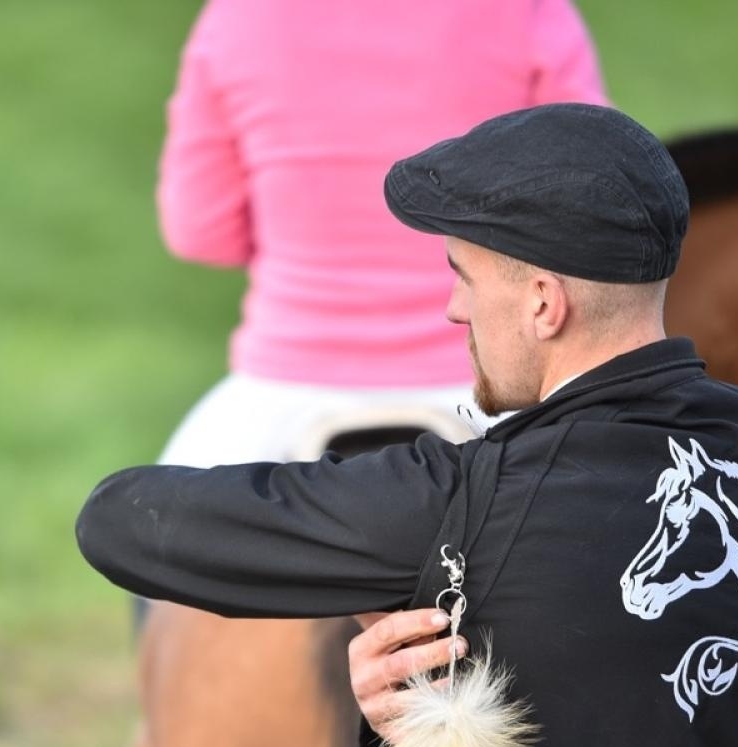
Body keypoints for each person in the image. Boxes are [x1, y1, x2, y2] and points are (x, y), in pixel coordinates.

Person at [82, 103, 738, 747]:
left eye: (463, 276)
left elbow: (119, 521)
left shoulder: (461, 501)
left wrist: (382, 585)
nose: (453, 309)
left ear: (544, 304)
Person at [155, 0, 608, 467]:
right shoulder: (527, 10)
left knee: (145, 528)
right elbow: (590, 203)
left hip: (285, 387)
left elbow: (201, 232)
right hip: (496, 388)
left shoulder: (238, 16)